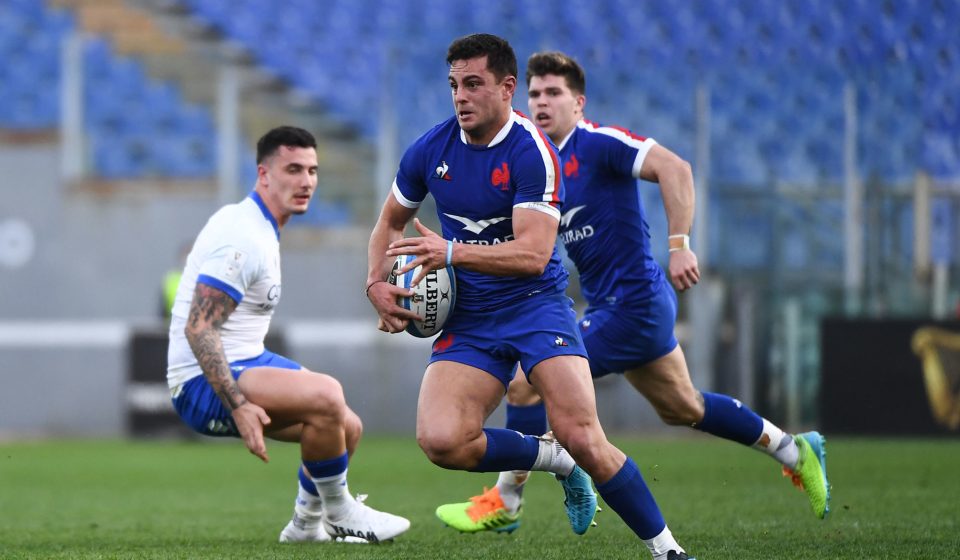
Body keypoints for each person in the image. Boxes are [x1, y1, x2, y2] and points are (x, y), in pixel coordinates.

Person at [435, 51, 831, 535]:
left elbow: (676, 168)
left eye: (554, 93)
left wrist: (680, 245)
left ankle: (507, 500)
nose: (542, 102)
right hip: (617, 307)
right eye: (535, 93)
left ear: (578, 103)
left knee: (524, 381)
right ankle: (794, 448)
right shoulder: (534, 158)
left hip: (634, 304)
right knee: (683, 407)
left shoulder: (599, 144)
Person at [366, 34, 693, 560]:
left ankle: (668, 550)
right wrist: (376, 284)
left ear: (506, 87)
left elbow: (533, 255)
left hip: (534, 307)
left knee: (583, 434)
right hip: (470, 316)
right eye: (453, 85)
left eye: (473, 84)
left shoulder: (531, 152)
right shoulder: (430, 149)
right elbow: (389, 222)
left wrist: (450, 251)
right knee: (442, 440)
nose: (460, 96)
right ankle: (556, 464)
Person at [166, 126, 409, 544]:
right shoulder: (244, 237)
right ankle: (340, 511)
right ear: (264, 174)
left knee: (346, 427)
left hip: (245, 358)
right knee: (327, 396)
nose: (306, 181)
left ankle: (305, 525)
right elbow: (199, 326)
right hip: (198, 382)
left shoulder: (258, 225)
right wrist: (239, 406)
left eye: (312, 170)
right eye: (293, 169)